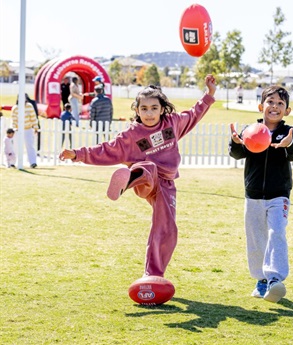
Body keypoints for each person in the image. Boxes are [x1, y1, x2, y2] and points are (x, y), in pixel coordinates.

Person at [59, 74, 216, 278]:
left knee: (167, 228)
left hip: (165, 185)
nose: (149, 113)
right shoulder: (131, 135)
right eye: (144, 109)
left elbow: (195, 113)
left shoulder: (172, 123)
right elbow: (105, 149)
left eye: (154, 108)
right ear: (137, 110)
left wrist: (209, 94)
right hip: (144, 180)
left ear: (162, 109)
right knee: (148, 167)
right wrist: (78, 154)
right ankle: (126, 181)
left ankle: (153, 274)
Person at [229, 85, 293, 303]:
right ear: (261, 106)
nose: (275, 107)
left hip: (279, 195)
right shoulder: (250, 130)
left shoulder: (289, 132)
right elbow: (237, 154)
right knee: (256, 238)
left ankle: (275, 280)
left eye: (281, 103)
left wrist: (287, 146)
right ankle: (261, 280)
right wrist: (235, 142)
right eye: (270, 102)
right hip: (253, 195)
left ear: (287, 110)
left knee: (276, 232)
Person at [11, 99, 39, 168]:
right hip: (18, 130)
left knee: (30, 146)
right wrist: (14, 129)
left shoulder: (29, 106)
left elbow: (33, 117)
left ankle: (33, 162)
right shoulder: (15, 108)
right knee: (15, 146)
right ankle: (12, 163)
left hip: (28, 129)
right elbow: (13, 119)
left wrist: (35, 127)